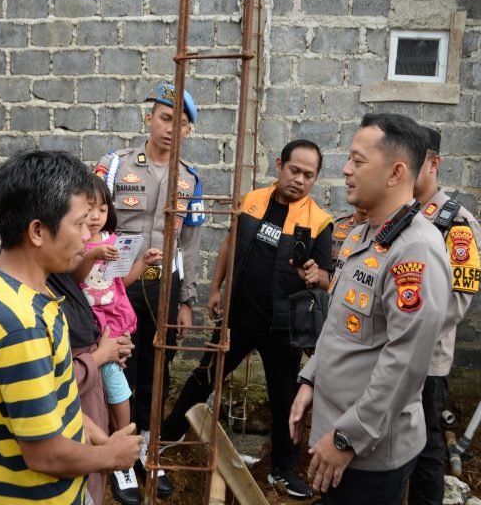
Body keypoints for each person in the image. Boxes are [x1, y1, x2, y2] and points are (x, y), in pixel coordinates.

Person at [289, 113, 452, 505]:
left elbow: (405, 362)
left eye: (358, 161)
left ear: (396, 173)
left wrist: (348, 439)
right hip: (336, 432)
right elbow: (339, 324)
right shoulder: (364, 234)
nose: (346, 169)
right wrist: (311, 379)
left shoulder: (415, 249)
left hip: (367, 452)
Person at [0, 150, 142, 505]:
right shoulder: (21, 326)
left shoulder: (11, 283)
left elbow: (54, 392)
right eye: (79, 224)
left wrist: (96, 435)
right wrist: (111, 456)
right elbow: (45, 455)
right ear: (37, 231)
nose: (87, 236)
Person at [161, 139, 333, 499]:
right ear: (279, 165)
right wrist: (215, 289)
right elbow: (229, 245)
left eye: (309, 175)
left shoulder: (320, 222)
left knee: (285, 400)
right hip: (238, 319)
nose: (300, 179)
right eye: (295, 170)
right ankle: (168, 435)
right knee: (204, 377)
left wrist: (315, 274)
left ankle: (283, 471)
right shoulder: (252, 200)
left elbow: (327, 277)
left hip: (282, 327)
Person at [95, 83, 205, 498]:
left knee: (157, 370)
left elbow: (190, 243)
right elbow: (90, 220)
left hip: (163, 289)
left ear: (188, 131)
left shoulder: (190, 180)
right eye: (164, 118)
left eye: (180, 123)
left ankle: (145, 447)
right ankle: (117, 454)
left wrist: (186, 299)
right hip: (117, 286)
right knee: (117, 367)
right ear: (149, 119)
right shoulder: (114, 166)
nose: (171, 129)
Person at [71, 174, 162, 505]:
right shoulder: (76, 245)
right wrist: (93, 254)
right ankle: (121, 449)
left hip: (115, 319)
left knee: (117, 383)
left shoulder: (112, 239)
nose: (96, 216)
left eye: (102, 208)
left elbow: (122, 280)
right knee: (114, 385)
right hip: (93, 326)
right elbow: (76, 278)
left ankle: (125, 445)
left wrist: (142, 263)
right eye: (89, 209)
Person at [408, 127, 481, 505]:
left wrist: (405, 333)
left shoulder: (457, 223)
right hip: (388, 355)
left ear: (434, 163)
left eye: (412, 160)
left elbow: (457, 302)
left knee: (426, 447)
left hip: (427, 361)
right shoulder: (399, 214)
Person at [46, 270, 135, 505]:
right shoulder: (29, 308)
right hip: (69, 459)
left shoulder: (57, 278)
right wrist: (100, 356)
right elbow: (44, 386)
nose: (81, 251)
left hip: (86, 405)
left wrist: (110, 348)